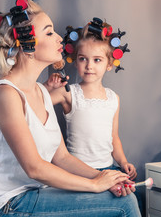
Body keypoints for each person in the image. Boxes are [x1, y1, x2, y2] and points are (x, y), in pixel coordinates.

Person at [0, 0, 140, 217]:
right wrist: (94, 184)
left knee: (121, 195)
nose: (59, 39)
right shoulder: (5, 95)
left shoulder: (41, 93)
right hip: (7, 206)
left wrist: (105, 179)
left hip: (34, 195)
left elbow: (61, 157)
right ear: (27, 46)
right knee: (124, 205)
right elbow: (34, 168)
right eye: (49, 32)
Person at [45, 18, 137, 180]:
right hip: (78, 171)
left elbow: (114, 138)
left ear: (109, 64)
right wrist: (48, 87)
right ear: (75, 61)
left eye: (97, 60)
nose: (89, 65)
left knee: (132, 194)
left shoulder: (113, 99)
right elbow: (35, 103)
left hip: (107, 168)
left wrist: (123, 162)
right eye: (83, 59)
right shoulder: (68, 93)